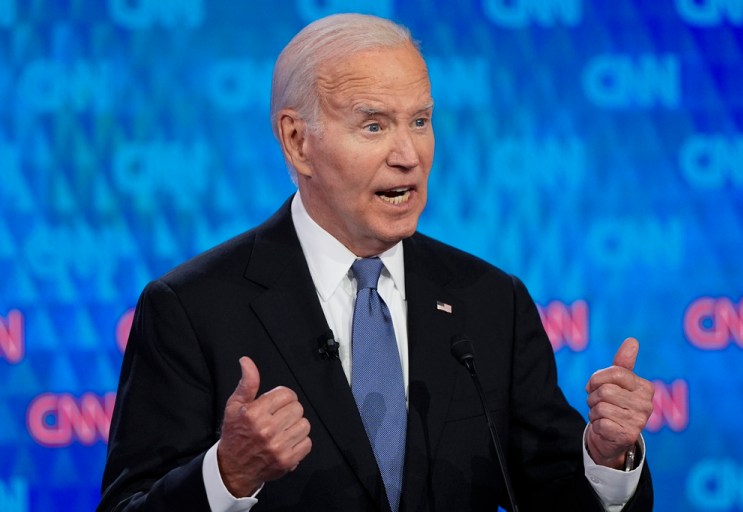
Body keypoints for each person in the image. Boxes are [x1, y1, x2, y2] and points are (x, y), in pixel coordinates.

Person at [98, 13, 654, 512]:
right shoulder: (193, 310)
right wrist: (226, 477)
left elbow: (555, 498)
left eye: (419, 121)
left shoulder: (490, 302)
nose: (408, 155)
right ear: (296, 141)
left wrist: (606, 460)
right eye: (374, 125)